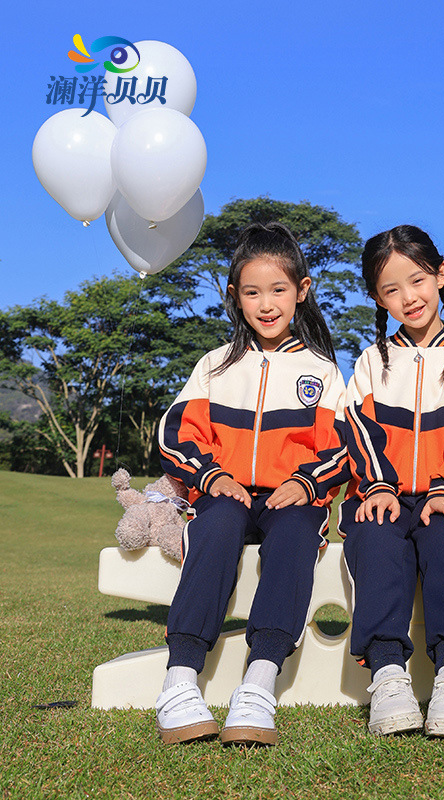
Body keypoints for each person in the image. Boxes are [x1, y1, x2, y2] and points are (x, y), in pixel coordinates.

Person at [156, 221, 348, 746]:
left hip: (291, 498)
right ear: (235, 296)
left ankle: (259, 682)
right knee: (215, 529)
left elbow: (342, 447)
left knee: (294, 537)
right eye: (252, 291)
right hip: (225, 492)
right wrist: (210, 475)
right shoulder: (215, 367)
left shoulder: (322, 371)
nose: (266, 304)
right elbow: (175, 433)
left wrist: (308, 484)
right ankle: (179, 681)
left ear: (302, 291)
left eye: (279, 290)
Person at [340, 224, 444, 739]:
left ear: (441, 274)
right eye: (391, 289)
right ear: (377, 298)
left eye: (418, 280)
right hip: (381, 494)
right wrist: (380, 485)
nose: (408, 298)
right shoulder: (370, 362)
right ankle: (388, 676)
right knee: (376, 537)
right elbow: (357, 431)